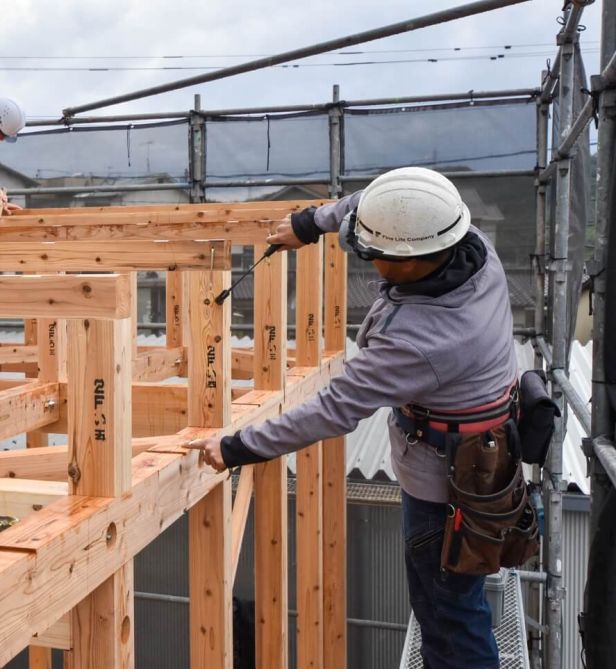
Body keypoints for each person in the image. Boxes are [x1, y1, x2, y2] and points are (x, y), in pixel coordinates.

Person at [187, 167, 515, 669]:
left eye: (374, 254)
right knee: (451, 606)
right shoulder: (464, 239)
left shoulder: (422, 341)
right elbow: (390, 201)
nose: (367, 257)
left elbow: (334, 408)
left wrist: (237, 446)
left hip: (448, 487)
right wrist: (311, 222)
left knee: (449, 617)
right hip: (479, 455)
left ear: (409, 262)